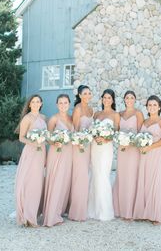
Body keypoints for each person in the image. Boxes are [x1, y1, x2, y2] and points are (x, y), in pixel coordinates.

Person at [133, 95, 161, 225]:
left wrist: (149, 148)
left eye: (154, 105)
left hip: (157, 155)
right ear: (147, 107)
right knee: (145, 182)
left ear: (159, 107)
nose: (152, 107)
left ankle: (157, 215)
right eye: (150, 105)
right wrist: (141, 146)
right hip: (145, 156)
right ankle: (145, 212)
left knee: (156, 183)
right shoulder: (145, 122)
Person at [88, 89, 120, 221]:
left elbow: (117, 133)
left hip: (106, 148)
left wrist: (106, 139)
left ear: (112, 100)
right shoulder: (97, 114)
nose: (106, 100)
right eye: (104, 98)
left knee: (103, 175)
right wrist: (95, 136)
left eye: (109, 98)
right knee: (95, 174)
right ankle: (93, 209)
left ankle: (104, 211)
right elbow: (92, 130)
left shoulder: (115, 115)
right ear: (101, 99)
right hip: (95, 147)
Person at [15, 94, 47, 227]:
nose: (35, 104)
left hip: (42, 152)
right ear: (29, 104)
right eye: (33, 102)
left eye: (37, 101)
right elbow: (21, 138)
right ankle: (28, 217)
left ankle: (34, 212)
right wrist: (34, 143)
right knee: (29, 182)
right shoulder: (27, 119)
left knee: (38, 182)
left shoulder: (44, 117)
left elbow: (46, 135)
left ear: (41, 103)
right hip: (31, 152)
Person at [43, 94, 73, 227]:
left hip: (68, 153)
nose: (63, 105)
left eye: (65, 103)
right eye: (60, 103)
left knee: (64, 182)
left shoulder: (71, 118)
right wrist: (54, 143)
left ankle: (59, 210)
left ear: (69, 104)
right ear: (57, 105)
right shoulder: (54, 119)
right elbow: (48, 137)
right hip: (57, 152)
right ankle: (51, 215)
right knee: (56, 181)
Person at [113, 90, 144, 219]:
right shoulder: (119, 114)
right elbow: (116, 131)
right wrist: (121, 140)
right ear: (124, 100)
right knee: (122, 176)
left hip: (134, 149)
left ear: (135, 99)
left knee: (133, 176)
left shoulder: (138, 113)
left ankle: (132, 209)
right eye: (127, 97)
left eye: (132, 97)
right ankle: (121, 208)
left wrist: (131, 141)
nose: (129, 99)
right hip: (122, 149)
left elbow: (142, 132)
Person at [69, 85, 93, 221]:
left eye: (89, 93)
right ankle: (77, 212)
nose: (87, 95)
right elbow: (75, 130)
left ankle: (82, 207)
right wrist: (79, 144)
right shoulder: (78, 109)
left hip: (88, 146)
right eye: (85, 93)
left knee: (86, 175)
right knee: (80, 176)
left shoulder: (90, 109)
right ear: (79, 95)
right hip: (79, 147)